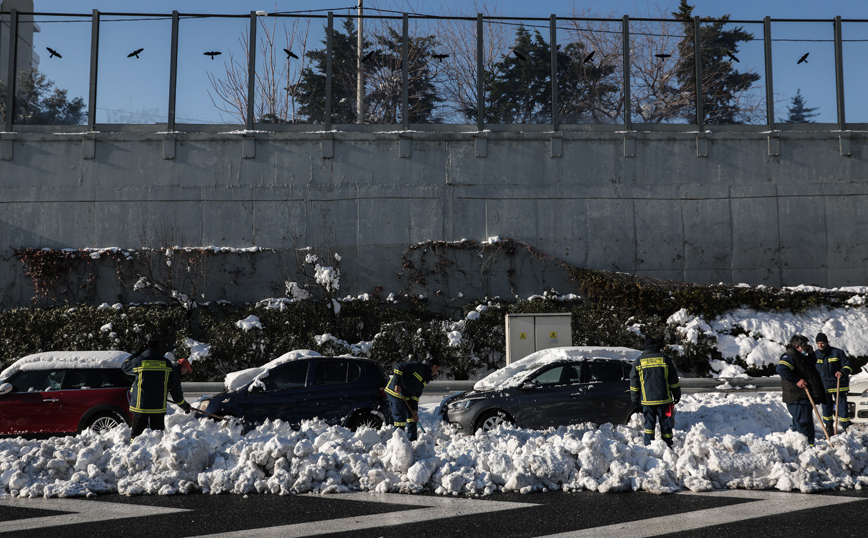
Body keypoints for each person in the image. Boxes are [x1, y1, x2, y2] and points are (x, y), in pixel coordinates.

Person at [122, 336, 191, 439]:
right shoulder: (167, 364)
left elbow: (124, 366)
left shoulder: (140, 361)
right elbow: (175, 391)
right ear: (159, 348)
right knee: (157, 437)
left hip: (140, 406)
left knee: (136, 436)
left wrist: (137, 353)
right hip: (157, 408)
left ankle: (134, 451)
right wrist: (185, 406)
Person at [630, 338, 681, 448]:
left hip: (647, 400)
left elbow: (634, 382)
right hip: (665, 399)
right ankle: (668, 444)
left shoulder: (638, 361)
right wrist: (677, 395)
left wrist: (634, 398)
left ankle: (648, 445)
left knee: (649, 424)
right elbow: (673, 380)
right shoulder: (665, 359)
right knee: (665, 422)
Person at [776, 334, 826, 446]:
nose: (807, 347)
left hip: (804, 397)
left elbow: (809, 366)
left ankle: (806, 446)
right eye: (805, 345)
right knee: (803, 424)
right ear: (798, 347)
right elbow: (781, 369)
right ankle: (806, 447)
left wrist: (811, 354)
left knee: (805, 423)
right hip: (797, 397)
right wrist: (797, 380)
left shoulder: (801, 357)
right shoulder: (790, 356)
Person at [384, 359, 439, 441]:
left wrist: (414, 410)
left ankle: (412, 441)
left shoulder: (426, 378)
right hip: (394, 392)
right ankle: (398, 443)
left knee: (413, 418)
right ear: (434, 367)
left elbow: (416, 396)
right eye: (437, 370)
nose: (437, 372)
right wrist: (397, 384)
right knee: (400, 418)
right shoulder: (418, 366)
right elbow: (398, 367)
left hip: (406, 396)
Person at [814, 332, 853, 433]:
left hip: (838, 384)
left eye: (822, 343)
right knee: (826, 407)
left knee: (842, 407)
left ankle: (846, 427)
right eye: (818, 343)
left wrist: (842, 371)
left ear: (826, 342)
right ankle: (829, 427)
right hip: (824, 386)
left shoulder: (837, 352)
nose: (820, 345)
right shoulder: (815, 355)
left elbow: (848, 365)